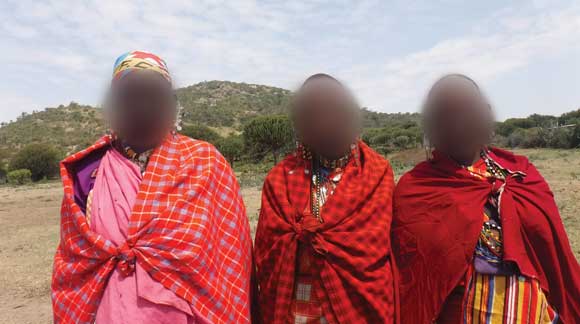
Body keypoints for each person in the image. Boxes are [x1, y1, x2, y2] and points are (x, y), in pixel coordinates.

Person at [51, 51, 253, 324]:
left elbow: (230, 263)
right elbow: (76, 267)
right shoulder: (88, 172)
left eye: (155, 96)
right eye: (131, 95)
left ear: (172, 105)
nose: (144, 106)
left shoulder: (205, 162)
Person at [392, 74, 580, 323]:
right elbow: (415, 283)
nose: (458, 122)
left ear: (486, 113)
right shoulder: (416, 188)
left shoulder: (520, 173)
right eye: (445, 114)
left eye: (467, 110)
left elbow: (553, 254)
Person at [254, 74, 397, 324]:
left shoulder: (376, 173)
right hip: (295, 311)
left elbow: (378, 254)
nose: (324, 121)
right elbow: (268, 259)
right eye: (313, 114)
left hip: (358, 311)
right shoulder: (280, 179)